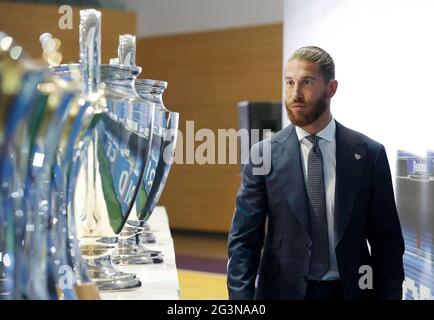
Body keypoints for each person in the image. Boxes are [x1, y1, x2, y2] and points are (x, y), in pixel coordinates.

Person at [227, 46, 405, 300]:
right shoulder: (262, 155)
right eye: (289, 83)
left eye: (307, 82)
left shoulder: (369, 154)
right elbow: (244, 241)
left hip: (351, 292)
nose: (295, 93)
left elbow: (387, 243)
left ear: (331, 89)